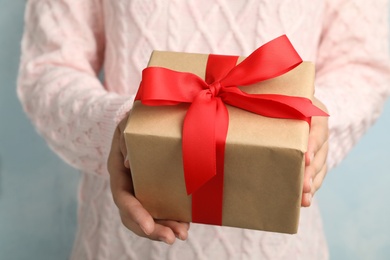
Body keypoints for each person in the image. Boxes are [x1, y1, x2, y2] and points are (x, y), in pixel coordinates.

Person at [17, 0, 390, 259]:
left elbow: (362, 65)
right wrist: (115, 129)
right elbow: (47, 69)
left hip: (279, 249)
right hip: (117, 246)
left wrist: (319, 115)